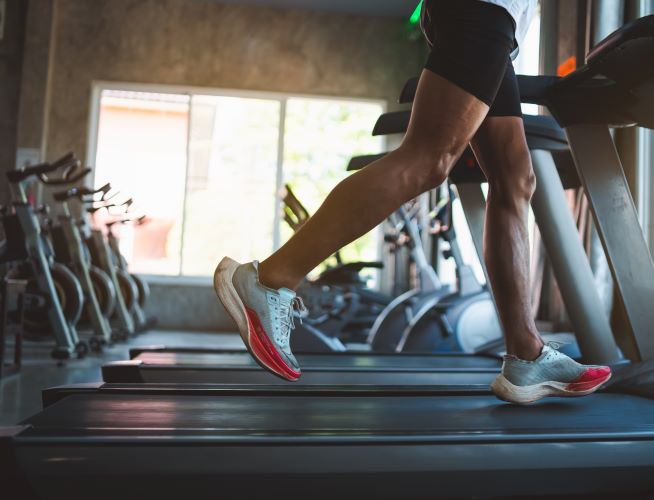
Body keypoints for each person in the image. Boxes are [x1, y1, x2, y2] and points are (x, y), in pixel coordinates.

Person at [213, 0, 611, 404]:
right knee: (429, 159)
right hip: (485, 8)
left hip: (501, 19)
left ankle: (527, 355)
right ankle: (270, 279)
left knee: (515, 177)